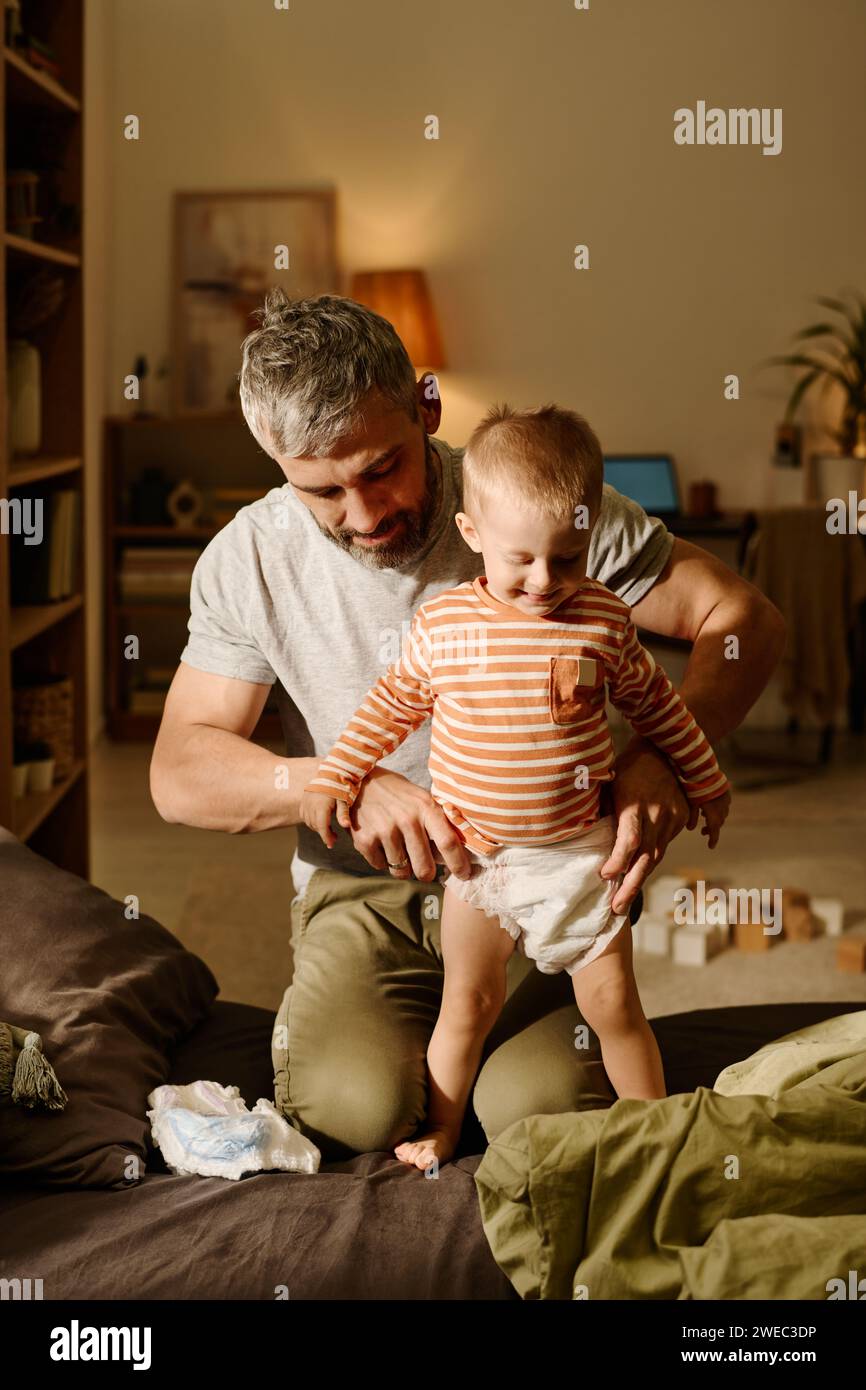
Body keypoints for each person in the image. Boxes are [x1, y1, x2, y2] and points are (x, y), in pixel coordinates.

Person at [150, 289, 784, 1162]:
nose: (366, 514)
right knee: (355, 1110)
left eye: (382, 467)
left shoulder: (535, 507)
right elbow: (178, 771)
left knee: (545, 1113)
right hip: (360, 894)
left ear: (428, 405)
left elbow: (745, 618)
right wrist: (340, 783)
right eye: (322, 490)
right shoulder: (250, 557)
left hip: (531, 877)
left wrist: (666, 765)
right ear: (277, 465)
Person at [302, 403, 732, 1168]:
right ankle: (440, 1124)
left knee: (614, 1006)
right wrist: (342, 772)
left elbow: (659, 709)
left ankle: (662, 1136)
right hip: (482, 861)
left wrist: (703, 780)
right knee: (466, 1003)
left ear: (591, 535)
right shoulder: (445, 628)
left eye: (567, 558)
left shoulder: (601, 620)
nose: (543, 582)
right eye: (521, 559)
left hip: (580, 859)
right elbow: (390, 706)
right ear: (473, 536)